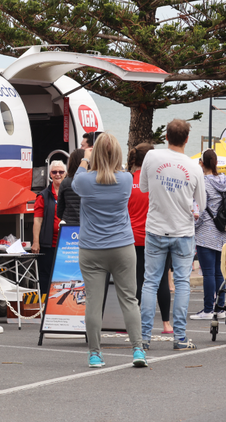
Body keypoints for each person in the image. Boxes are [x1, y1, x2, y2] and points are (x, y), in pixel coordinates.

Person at [72, 133, 145, 368]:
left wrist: (85, 158)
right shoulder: (125, 179)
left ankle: (95, 353)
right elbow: (118, 170)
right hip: (122, 246)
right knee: (129, 300)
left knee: (93, 302)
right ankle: (138, 349)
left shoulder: (85, 180)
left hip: (91, 248)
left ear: (97, 153)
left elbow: (75, 179)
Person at [140, 119, 205, 350]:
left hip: (156, 228)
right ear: (187, 139)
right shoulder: (195, 168)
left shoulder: (152, 157)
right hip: (183, 231)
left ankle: (144, 338)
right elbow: (202, 204)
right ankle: (179, 338)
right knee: (182, 284)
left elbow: (144, 187)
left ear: (166, 137)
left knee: (150, 282)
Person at [127, 143, 173, 335]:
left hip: (132, 238)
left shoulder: (127, 180)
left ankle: (136, 324)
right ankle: (166, 324)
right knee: (161, 280)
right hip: (156, 235)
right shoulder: (157, 181)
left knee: (137, 281)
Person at [191, 149, 226, 320]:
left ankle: (208, 309)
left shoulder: (202, 183)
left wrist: (193, 227)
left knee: (208, 272)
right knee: (219, 272)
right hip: (224, 233)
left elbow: (200, 210)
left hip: (206, 233)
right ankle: (220, 308)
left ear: (202, 163)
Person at [32, 159, 66, 295]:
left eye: (61, 172)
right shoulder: (43, 196)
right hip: (48, 245)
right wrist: (36, 242)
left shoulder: (70, 193)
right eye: (54, 172)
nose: (58, 174)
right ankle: (45, 307)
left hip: (66, 244)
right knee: (45, 277)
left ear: (66, 173)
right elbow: (37, 220)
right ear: (50, 174)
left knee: (64, 276)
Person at [56, 148, 84, 226]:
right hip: (87, 225)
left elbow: (59, 211)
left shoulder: (65, 183)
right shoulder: (91, 181)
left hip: (69, 225)